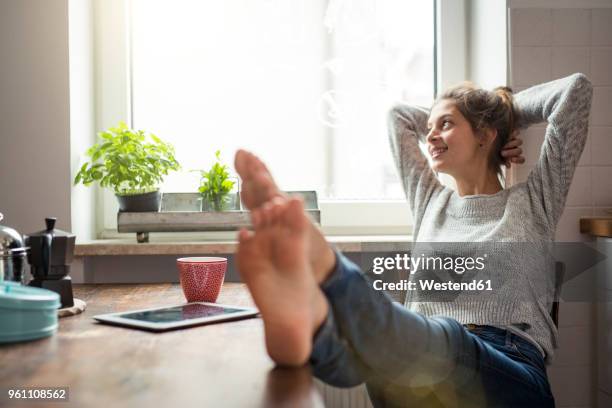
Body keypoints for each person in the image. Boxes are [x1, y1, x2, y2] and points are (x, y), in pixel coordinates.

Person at [234, 73, 593, 407]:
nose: (431, 135)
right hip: (420, 363)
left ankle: (324, 290)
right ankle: (306, 335)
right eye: (430, 127)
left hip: (509, 370)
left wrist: (506, 113)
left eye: (446, 124)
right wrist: (456, 118)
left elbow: (575, 92)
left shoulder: (533, 202)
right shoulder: (430, 201)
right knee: (386, 358)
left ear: (485, 134)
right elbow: (398, 117)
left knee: (443, 343)